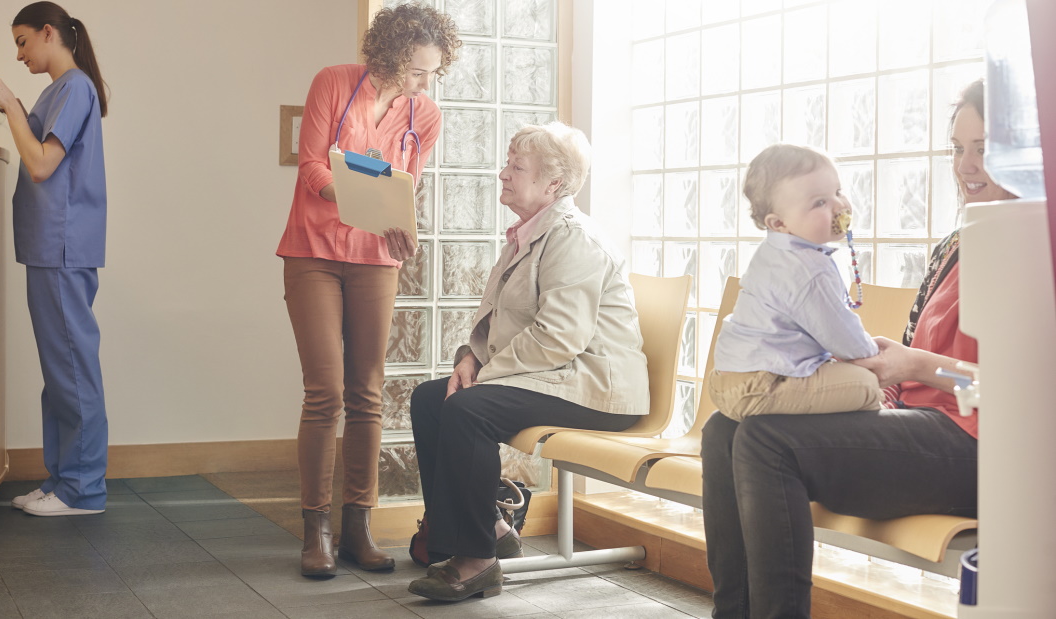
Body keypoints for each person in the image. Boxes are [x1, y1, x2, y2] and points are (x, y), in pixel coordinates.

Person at [699, 78, 1007, 618]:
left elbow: (1010, 392)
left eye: (984, 149)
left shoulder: (1033, 247)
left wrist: (915, 365)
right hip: (927, 427)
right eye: (959, 149)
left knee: (766, 442)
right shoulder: (960, 242)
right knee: (724, 429)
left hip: (988, 448)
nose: (965, 165)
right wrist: (898, 367)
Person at [405, 122, 650, 602]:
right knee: (432, 399)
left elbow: (558, 338)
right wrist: (469, 360)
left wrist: (484, 378)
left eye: (516, 168)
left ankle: (476, 561)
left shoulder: (574, 239)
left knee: (467, 409)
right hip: (560, 378)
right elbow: (500, 321)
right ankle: (485, 530)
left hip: (598, 391)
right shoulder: (528, 234)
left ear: (554, 185)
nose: (502, 174)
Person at [276, 4, 461, 577]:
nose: (424, 84)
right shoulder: (333, 83)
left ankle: (358, 527)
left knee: (368, 393)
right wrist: (370, 205)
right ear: (388, 55)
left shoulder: (423, 116)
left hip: (375, 259)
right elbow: (313, 169)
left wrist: (403, 225)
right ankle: (316, 531)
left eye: (432, 73)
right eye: (415, 72)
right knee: (325, 391)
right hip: (313, 250)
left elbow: (407, 188)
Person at [0, 2, 109, 517]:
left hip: (63, 247)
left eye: (23, 41)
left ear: (49, 32)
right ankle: (61, 481)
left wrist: (8, 102)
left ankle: (83, 490)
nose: (20, 53)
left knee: (73, 370)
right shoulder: (58, 91)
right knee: (60, 372)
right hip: (50, 248)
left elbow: (43, 163)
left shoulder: (75, 87)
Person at [708, 144, 882, 421]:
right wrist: (872, 355)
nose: (839, 206)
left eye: (837, 192)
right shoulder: (808, 268)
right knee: (866, 384)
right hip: (762, 385)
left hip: (727, 380)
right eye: (820, 203)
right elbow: (841, 333)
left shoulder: (774, 252)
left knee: (840, 376)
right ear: (778, 224)